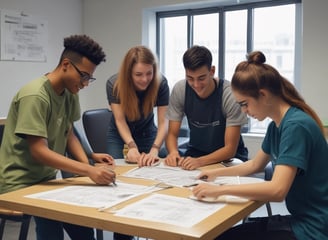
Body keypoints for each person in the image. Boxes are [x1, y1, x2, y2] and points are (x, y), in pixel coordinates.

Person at [192, 51, 328, 240]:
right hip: (302, 220)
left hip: (312, 230)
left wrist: (219, 190)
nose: (244, 111)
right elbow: (255, 164)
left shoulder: (295, 126)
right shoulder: (277, 125)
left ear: (263, 94)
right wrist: (214, 174)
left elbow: (277, 190)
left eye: (245, 104)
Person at [0, 35, 116, 240]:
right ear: (65, 65)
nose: (85, 83)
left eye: (89, 78)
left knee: (82, 225)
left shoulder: (70, 93)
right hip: (18, 183)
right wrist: (88, 170)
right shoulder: (35, 95)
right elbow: (39, 152)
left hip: (46, 179)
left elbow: (68, 133)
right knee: (51, 222)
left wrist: (87, 166)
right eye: (83, 76)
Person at [165, 45, 248, 170]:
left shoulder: (229, 95)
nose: (196, 85)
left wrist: (199, 162)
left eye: (201, 78)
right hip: (195, 154)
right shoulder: (180, 90)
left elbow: (230, 149)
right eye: (190, 78)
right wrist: (173, 152)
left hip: (229, 158)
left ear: (212, 71)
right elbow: (172, 134)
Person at [106, 46, 169, 167]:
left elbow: (163, 121)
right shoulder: (114, 84)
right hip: (118, 134)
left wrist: (155, 149)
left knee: (155, 165)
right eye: (138, 74)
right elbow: (120, 120)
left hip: (147, 132)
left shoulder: (161, 83)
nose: (144, 79)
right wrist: (132, 146)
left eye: (149, 73)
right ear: (128, 73)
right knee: (115, 169)